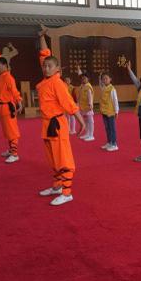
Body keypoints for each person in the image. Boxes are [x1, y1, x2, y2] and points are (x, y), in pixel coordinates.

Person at [37, 55, 86, 206]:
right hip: (47, 124)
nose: (46, 68)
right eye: (44, 66)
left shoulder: (57, 83)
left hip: (57, 124)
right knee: (53, 158)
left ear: (57, 69)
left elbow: (69, 103)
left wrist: (81, 122)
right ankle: (58, 186)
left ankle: (67, 192)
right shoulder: (46, 82)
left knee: (63, 158)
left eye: (49, 66)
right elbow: (44, 53)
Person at [0, 56, 23, 163]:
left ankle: (14, 154)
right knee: (7, 131)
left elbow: (15, 91)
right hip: (2, 107)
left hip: (8, 107)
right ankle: (11, 150)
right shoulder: (0, 77)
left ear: (5, 65)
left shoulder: (8, 77)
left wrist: (19, 103)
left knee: (12, 131)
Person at [99, 72, 119, 151]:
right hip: (104, 111)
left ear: (110, 79)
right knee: (107, 128)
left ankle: (114, 144)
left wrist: (116, 111)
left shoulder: (112, 89)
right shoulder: (103, 88)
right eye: (103, 79)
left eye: (106, 78)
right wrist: (100, 76)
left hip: (110, 112)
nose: (105, 80)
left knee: (112, 128)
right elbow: (100, 83)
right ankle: (109, 142)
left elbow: (115, 100)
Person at [78, 72, 95, 142]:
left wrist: (90, 104)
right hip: (83, 107)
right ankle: (87, 133)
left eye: (85, 78)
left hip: (88, 107)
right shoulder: (82, 86)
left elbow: (90, 97)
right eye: (82, 78)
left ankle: (91, 135)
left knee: (90, 121)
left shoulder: (88, 87)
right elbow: (79, 96)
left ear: (88, 79)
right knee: (86, 121)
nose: (83, 80)